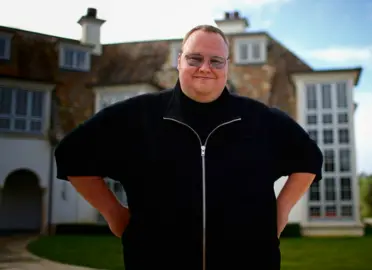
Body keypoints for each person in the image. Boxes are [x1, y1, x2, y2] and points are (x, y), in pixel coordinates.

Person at [54, 24, 323, 270]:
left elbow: (309, 158)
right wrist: (113, 213)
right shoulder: (137, 116)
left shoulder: (260, 118)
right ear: (179, 61)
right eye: (195, 58)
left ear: (226, 66)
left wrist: (282, 210)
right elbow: (72, 155)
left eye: (216, 61)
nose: (205, 67)